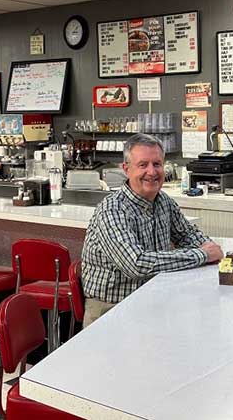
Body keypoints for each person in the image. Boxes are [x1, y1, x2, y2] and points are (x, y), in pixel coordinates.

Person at [81, 133, 223, 327]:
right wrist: (202, 254)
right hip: (112, 309)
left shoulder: (163, 201)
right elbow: (136, 264)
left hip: (153, 298)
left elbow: (186, 233)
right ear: (126, 169)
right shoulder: (113, 210)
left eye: (157, 164)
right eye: (143, 165)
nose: (152, 172)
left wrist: (207, 245)